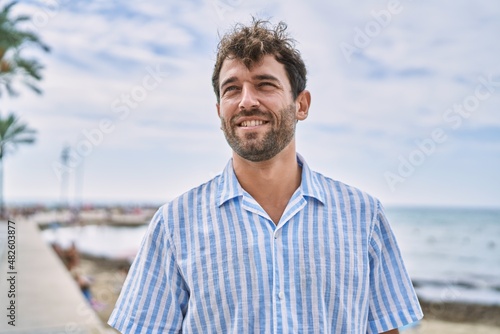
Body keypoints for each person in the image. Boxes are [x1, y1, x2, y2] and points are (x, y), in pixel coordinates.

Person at [108, 19, 423, 333]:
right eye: (232, 89)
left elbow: (386, 328)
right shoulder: (175, 223)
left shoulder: (363, 216)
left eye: (265, 85)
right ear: (220, 110)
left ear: (301, 104)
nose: (246, 101)